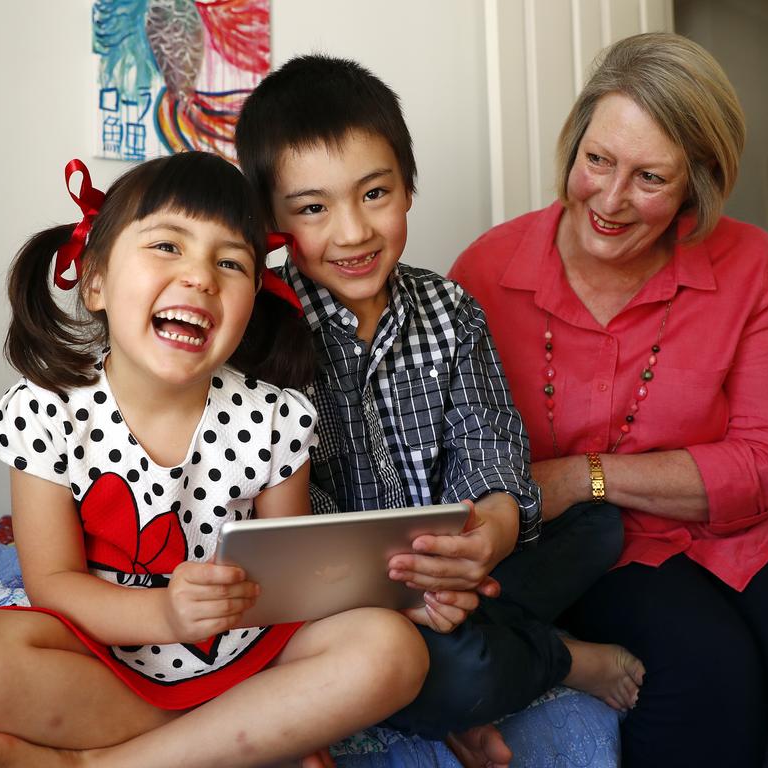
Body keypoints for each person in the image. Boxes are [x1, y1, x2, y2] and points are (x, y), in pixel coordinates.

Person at [449, 32, 768, 768]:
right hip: (600, 550)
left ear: (699, 184)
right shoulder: (486, 273)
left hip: (745, 530)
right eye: (598, 160)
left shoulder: (750, 265)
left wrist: (584, 476)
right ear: (575, 144)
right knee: (706, 684)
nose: (611, 201)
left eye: (651, 177)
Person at [0, 151, 430, 768]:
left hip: (244, 650)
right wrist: (164, 613)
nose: (200, 277)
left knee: (393, 651)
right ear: (96, 280)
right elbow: (51, 586)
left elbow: (293, 580)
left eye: (231, 262)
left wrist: (404, 591)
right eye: (167, 246)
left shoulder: (277, 418)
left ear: (251, 303)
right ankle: (245, 735)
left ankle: (93, 762)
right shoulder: (43, 412)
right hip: (105, 645)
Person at [235, 55, 644, 768]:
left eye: (374, 193)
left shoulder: (451, 310)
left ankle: (472, 644)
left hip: (463, 561)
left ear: (408, 187)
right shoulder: (262, 335)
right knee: (455, 674)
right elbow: (288, 533)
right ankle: (554, 658)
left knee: (600, 525)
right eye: (312, 208)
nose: (354, 231)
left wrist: (489, 530)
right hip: (355, 603)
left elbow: (489, 443)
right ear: (271, 220)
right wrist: (402, 595)